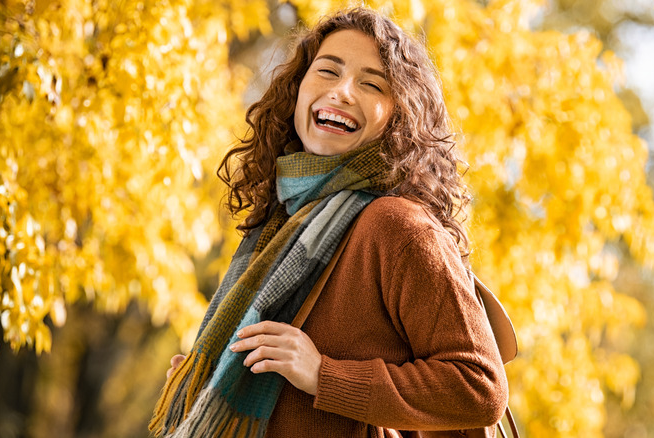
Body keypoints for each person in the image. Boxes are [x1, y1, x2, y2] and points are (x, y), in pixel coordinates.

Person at [150, 7, 508, 437]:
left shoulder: (397, 226)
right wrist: (210, 382)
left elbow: (480, 386)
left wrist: (324, 375)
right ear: (298, 89)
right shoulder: (280, 225)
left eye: (371, 84)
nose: (341, 92)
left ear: (399, 116)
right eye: (327, 71)